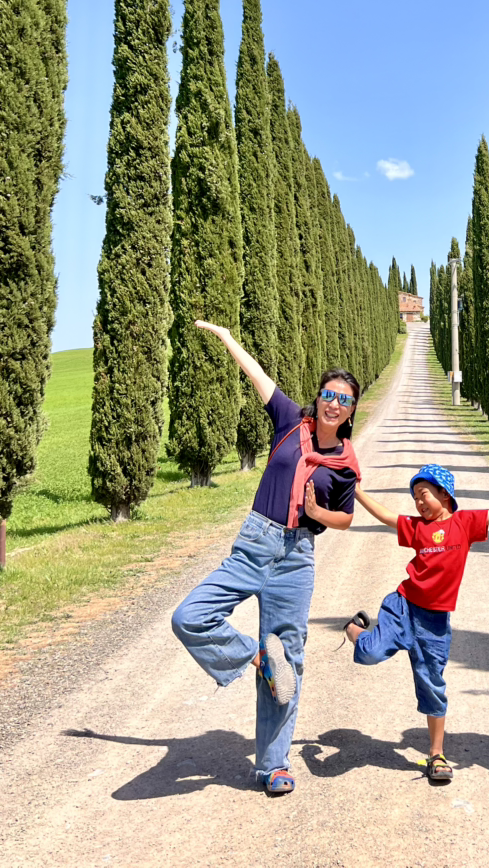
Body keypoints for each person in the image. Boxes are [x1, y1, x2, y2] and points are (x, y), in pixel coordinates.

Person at [171, 320, 361, 795]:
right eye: (328, 394)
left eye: (343, 399)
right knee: (189, 616)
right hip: (255, 543)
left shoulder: (345, 464)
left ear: (351, 410)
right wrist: (226, 337)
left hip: (297, 557)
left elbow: (345, 518)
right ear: (317, 398)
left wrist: (318, 512)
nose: (334, 403)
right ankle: (255, 657)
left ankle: (273, 765)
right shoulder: (288, 421)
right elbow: (257, 374)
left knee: (290, 659)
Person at [345, 463, 489, 781]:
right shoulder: (416, 527)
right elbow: (386, 516)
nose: (418, 502)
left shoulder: (465, 523)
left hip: (435, 623)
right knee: (370, 652)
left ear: (444, 494)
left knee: (432, 686)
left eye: (423, 494)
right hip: (404, 606)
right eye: (414, 497)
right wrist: (357, 491)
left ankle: (436, 755)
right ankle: (353, 628)